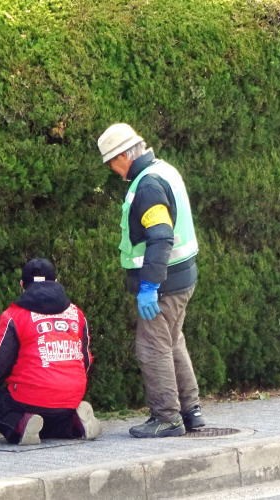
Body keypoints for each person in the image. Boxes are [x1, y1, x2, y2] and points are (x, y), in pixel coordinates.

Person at [96, 123, 206, 438]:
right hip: (182, 276)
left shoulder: (147, 186)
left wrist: (150, 286)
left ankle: (167, 418)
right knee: (172, 341)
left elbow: (160, 236)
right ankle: (190, 411)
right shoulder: (164, 170)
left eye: (111, 163)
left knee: (152, 345)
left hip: (165, 282)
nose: (113, 170)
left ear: (122, 156)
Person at [0, 258, 101, 445]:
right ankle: (73, 423)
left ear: (22, 285)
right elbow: (86, 360)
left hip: (29, 397)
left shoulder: (14, 315)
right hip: (71, 394)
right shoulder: (77, 313)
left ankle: (21, 424)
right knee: (53, 415)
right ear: (56, 281)